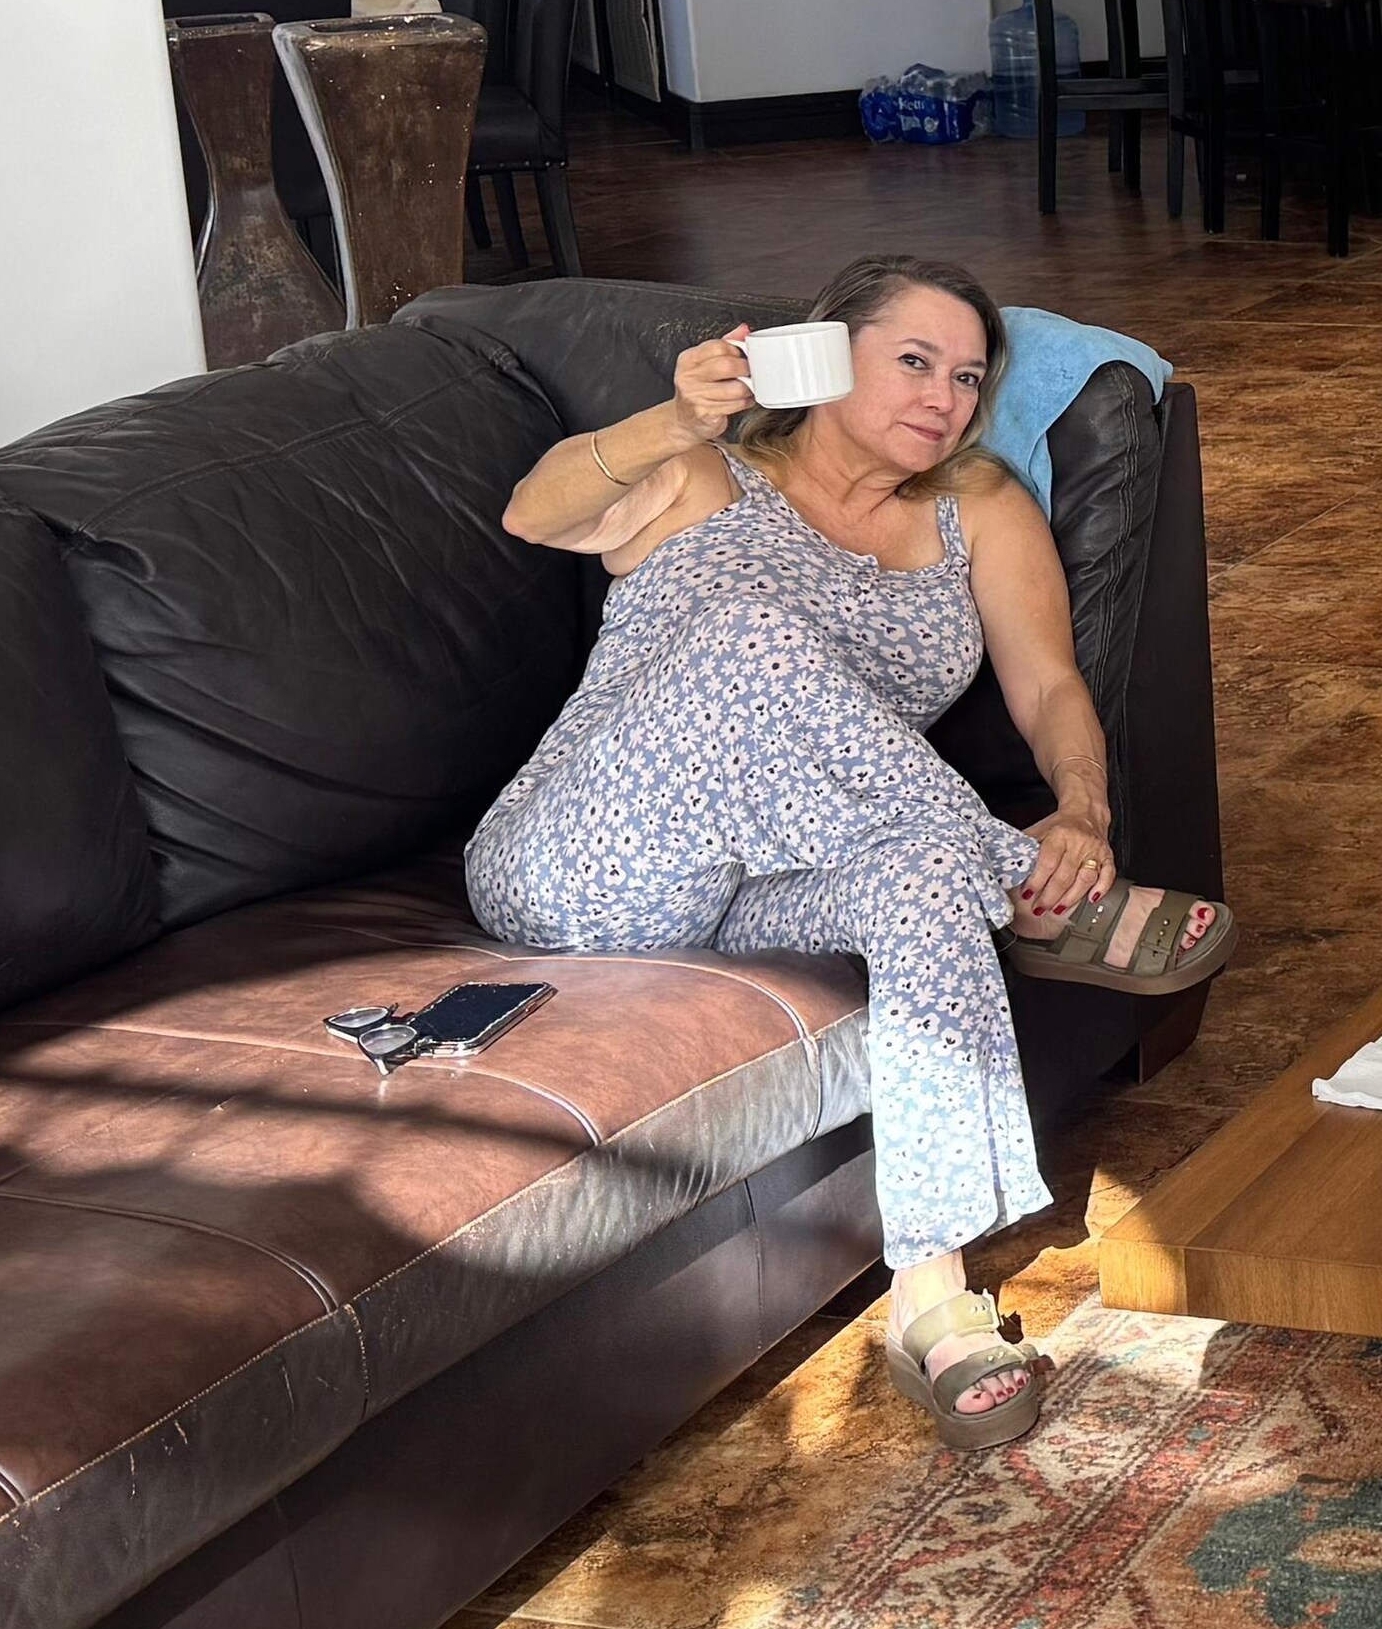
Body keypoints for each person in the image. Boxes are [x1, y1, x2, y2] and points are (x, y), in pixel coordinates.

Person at [470, 255, 1219, 1450]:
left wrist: (1082, 815)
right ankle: (1011, 883)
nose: (945, 398)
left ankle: (932, 1296)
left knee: (920, 877)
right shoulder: (707, 475)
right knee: (749, 633)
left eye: (967, 377)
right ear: (822, 358)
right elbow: (533, 513)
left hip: (749, 892)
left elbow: (1049, 688)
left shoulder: (977, 511)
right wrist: (676, 417)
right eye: (913, 361)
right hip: (576, 862)